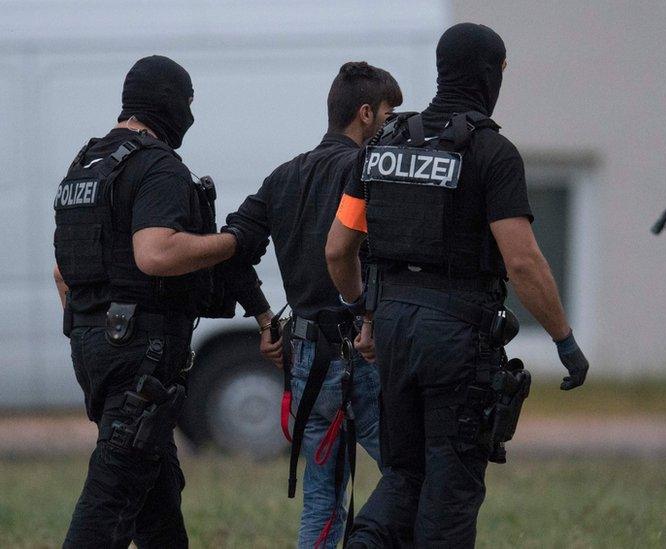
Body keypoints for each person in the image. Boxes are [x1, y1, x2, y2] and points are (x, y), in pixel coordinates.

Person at [326, 23, 590, 548]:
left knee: (402, 475)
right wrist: (564, 340)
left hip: (394, 329)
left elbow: (338, 247)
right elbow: (523, 261)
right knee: (449, 487)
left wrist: (368, 315)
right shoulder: (492, 153)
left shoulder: (382, 143)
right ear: (490, 74)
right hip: (456, 336)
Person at [53, 55, 273, 548]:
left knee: (156, 498)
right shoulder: (158, 166)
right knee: (109, 497)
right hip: (141, 356)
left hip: (93, 344)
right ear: (170, 102)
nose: (191, 116)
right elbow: (155, 254)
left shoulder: (86, 165)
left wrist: (91, 332)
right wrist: (231, 242)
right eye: (189, 103)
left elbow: (62, 272)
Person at [225, 61, 402, 548]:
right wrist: (371, 313)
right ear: (366, 114)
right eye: (390, 114)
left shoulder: (284, 177)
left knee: (321, 502)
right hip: (362, 353)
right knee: (415, 476)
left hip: (306, 362)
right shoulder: (371, 170)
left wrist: (265, 319)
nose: (395, 127)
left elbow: (233, 250)